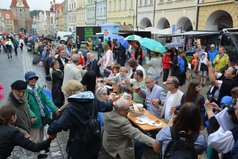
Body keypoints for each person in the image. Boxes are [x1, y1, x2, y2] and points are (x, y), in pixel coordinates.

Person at [47, 83, 114, 159]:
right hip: (94, 139)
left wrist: (50, 131)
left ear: (71, 93)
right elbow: (107, 107)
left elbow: (58, 125)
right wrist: (111, 100)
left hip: (80, 145)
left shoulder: (72, 108)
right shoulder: (93, 100)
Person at [24, 71, 60, 158]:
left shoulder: (38, 88)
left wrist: (55, 109)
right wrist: (32, 116)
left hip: (42, 117)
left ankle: (38, 154)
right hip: (35, 119)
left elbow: (47, 99)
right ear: (27, 80)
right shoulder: (26, 92)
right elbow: (26, 106)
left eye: (35, 78)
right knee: (34, 139)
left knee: (40, 136)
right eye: (31, 78)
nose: (33, 80)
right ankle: (33, 156)